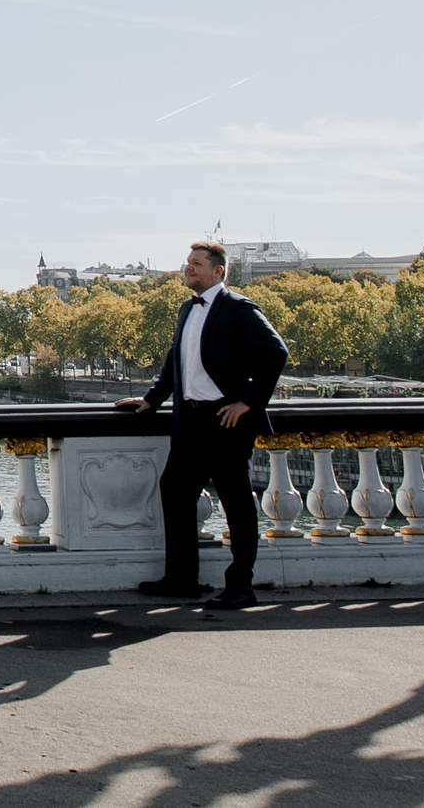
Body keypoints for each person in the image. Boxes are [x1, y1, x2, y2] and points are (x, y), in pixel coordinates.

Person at [115, 240, 288, 611]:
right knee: (175, 492)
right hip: (190, 420)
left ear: (218, 271)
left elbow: (277, 352)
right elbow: (175, 362)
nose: (188, 268)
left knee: (236, 503)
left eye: (196, 263)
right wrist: (152, 400)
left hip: (225, 420)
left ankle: (241, 586)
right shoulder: (185, 309)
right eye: (187, 262)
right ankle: (181, 581)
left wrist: (248, 403)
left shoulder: (238, 308)